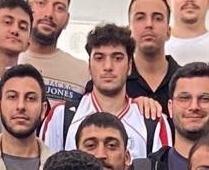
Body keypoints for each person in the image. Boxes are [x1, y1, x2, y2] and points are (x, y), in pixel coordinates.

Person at [42, 22, 171, 157]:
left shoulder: (152, 121)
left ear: (129, 67)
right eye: (99, 58)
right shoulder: (61, 116)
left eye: (117, 58)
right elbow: (46, 168)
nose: (108, 66)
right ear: (89, 66)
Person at [19, 0, 89, 106]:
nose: (49, 14)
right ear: (26, 9)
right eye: (41, 3)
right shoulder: (3, 62)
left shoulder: (84, 72)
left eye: (59, 8)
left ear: (67, 19)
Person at [127, 0, 180, 106]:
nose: (149, 24)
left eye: (158, 18)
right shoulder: (116, 81)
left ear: (168, 31)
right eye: (140, 18)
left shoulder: (186, 81)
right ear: (128, 30)